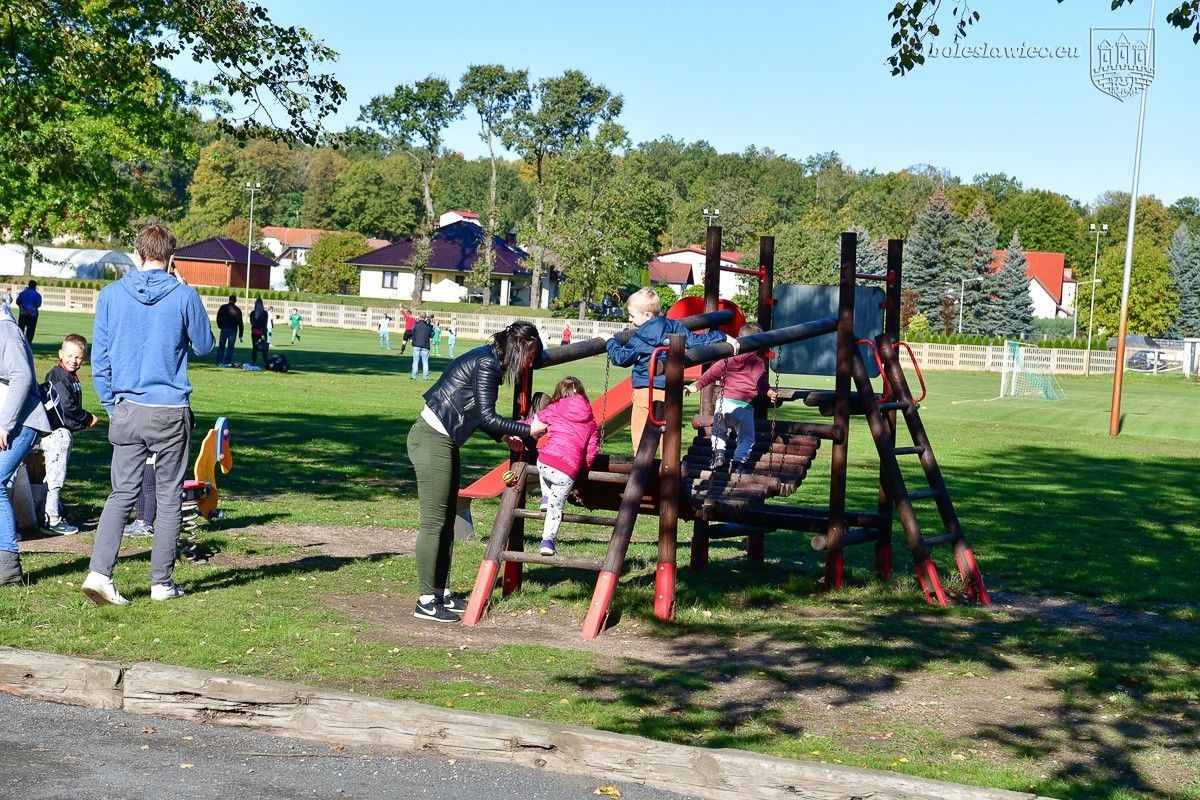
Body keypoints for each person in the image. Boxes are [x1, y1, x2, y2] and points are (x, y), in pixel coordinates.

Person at [82, 221, 215, 606]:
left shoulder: (110, 295)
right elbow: (205, 345)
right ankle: (161, 582)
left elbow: (101, 359)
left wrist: (112, 405)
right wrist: (188, 292)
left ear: (137, 255)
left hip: (127, 407)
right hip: (169, 410)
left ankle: (99, 573)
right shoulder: (183, 295)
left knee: (121, 493)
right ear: (171, 257)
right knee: (170, 496)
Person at [407, 321, 547, 622]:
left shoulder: (489, 359)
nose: (529, 364)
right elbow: (487, 415)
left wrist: (503, 436)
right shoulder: (487, 364)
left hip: (443, 441)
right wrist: (527, 429)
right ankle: (426, 601)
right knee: (434, 523)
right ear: (518, 349)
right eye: (530, 357)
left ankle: (440, 593)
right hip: (431, 439)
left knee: (446, 523)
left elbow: (476, 413)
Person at [606, 287, 737, 451]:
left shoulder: (641, 337)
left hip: (645, 390)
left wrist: (611, 342)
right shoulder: (673, 326)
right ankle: (666, 470)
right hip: (669, 391)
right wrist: (723, 336)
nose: (631, 320)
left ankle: (641, 470)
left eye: (632, 316)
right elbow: (697, 342)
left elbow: (621, 358)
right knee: (664, 437)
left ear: (647, 314)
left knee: (640, 440)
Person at [0, 300, 54, 586]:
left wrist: (5, 424)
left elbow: (21, 376)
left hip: (21, 423)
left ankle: (8, 568)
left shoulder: (5, 330)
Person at [685, 323, 773, 475]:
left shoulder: (728, 359)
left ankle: (719, 454)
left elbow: (711, 373)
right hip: (743, 407)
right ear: (759, 344)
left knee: (718, 431)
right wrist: (769, 391)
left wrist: (695, 386)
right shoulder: (756, 361)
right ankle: (739, 463)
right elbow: (760, 381)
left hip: (723, 403)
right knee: (746, 438)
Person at [524, 376, 598, 557]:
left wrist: (514, 426)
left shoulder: (554, 409)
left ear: (559, 393)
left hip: (545, 462)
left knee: (544, 457)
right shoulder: (591, 421)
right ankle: (547, 542)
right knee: (556, 510)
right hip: (567, 471)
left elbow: (533, 426)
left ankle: (545, 497)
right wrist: (584, 468)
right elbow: (591, 452)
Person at [40, 333, 101, 535]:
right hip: (54, 434)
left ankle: (53, 511)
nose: (73, 361)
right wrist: (87, 418)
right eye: (70, 355)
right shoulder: (58, 375)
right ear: (60, 353)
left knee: (57, 475)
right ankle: (52, 519)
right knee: (54, 477)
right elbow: (66, 407)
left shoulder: (70, 376)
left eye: (78, 358)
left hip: (62, 434)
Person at [215, 294, 243, 364]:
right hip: (233, 330)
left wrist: (220, 325)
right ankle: (228, 361)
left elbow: (218, 317)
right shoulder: (238, 310)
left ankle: (219, 360)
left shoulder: (223, 307)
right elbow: (240, 322)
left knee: (221, 345)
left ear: (229, 299)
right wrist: (241, 333)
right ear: (235, 301)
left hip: (224, 328)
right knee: (231, 346)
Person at [410, 312, 433, 380]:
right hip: (425, 345)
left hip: (416, 344)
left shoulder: (415, 324)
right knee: (425, 362)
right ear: (425, 317)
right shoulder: (428, 326)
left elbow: (412, 332)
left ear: (419, 317)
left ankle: (414, 376)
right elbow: (432, 335)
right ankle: (425, 377)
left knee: (415, 361)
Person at [249, 298, 269, 366]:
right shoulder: (253, 313)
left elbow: (264, 323)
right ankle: (254, 362)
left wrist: (263, 333)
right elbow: (252, 323)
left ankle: (265, 362)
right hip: (256, 333)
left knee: (263, 349)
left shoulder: (264, 313)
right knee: (255, 348)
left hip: (260, 333)